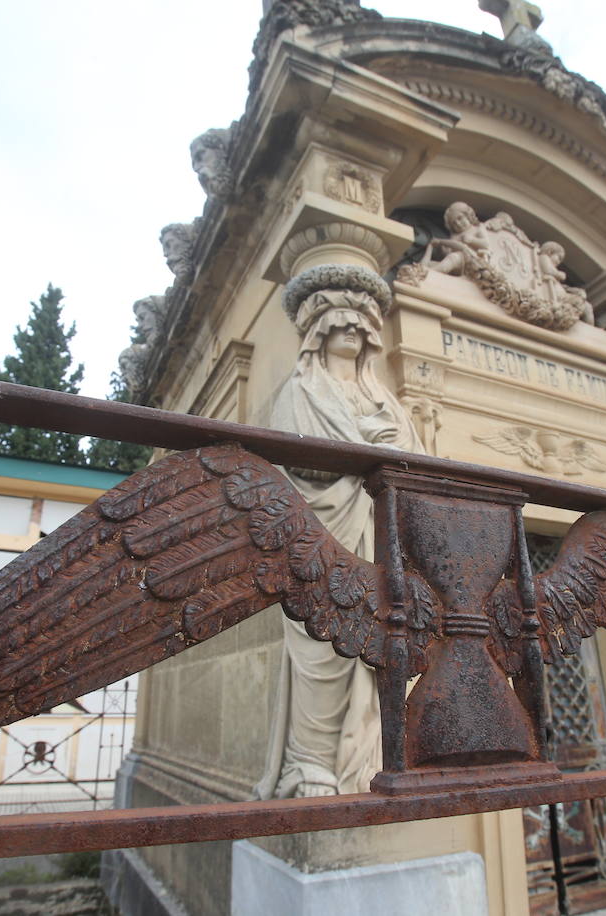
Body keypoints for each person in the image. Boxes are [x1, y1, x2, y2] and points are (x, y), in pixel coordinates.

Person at [254, 276, 421, 799]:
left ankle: (371, 757)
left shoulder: (387, 402)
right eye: (338, 325)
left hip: (380, 540)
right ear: (318, 334)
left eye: (358, 326)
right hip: (324, 540)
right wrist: (362, 447)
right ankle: (310, 764)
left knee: (381, 646)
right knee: (323, 649)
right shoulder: (301, 389)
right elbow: (298, 457)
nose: (349, 332)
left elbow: (418, 468)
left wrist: (393, 449)